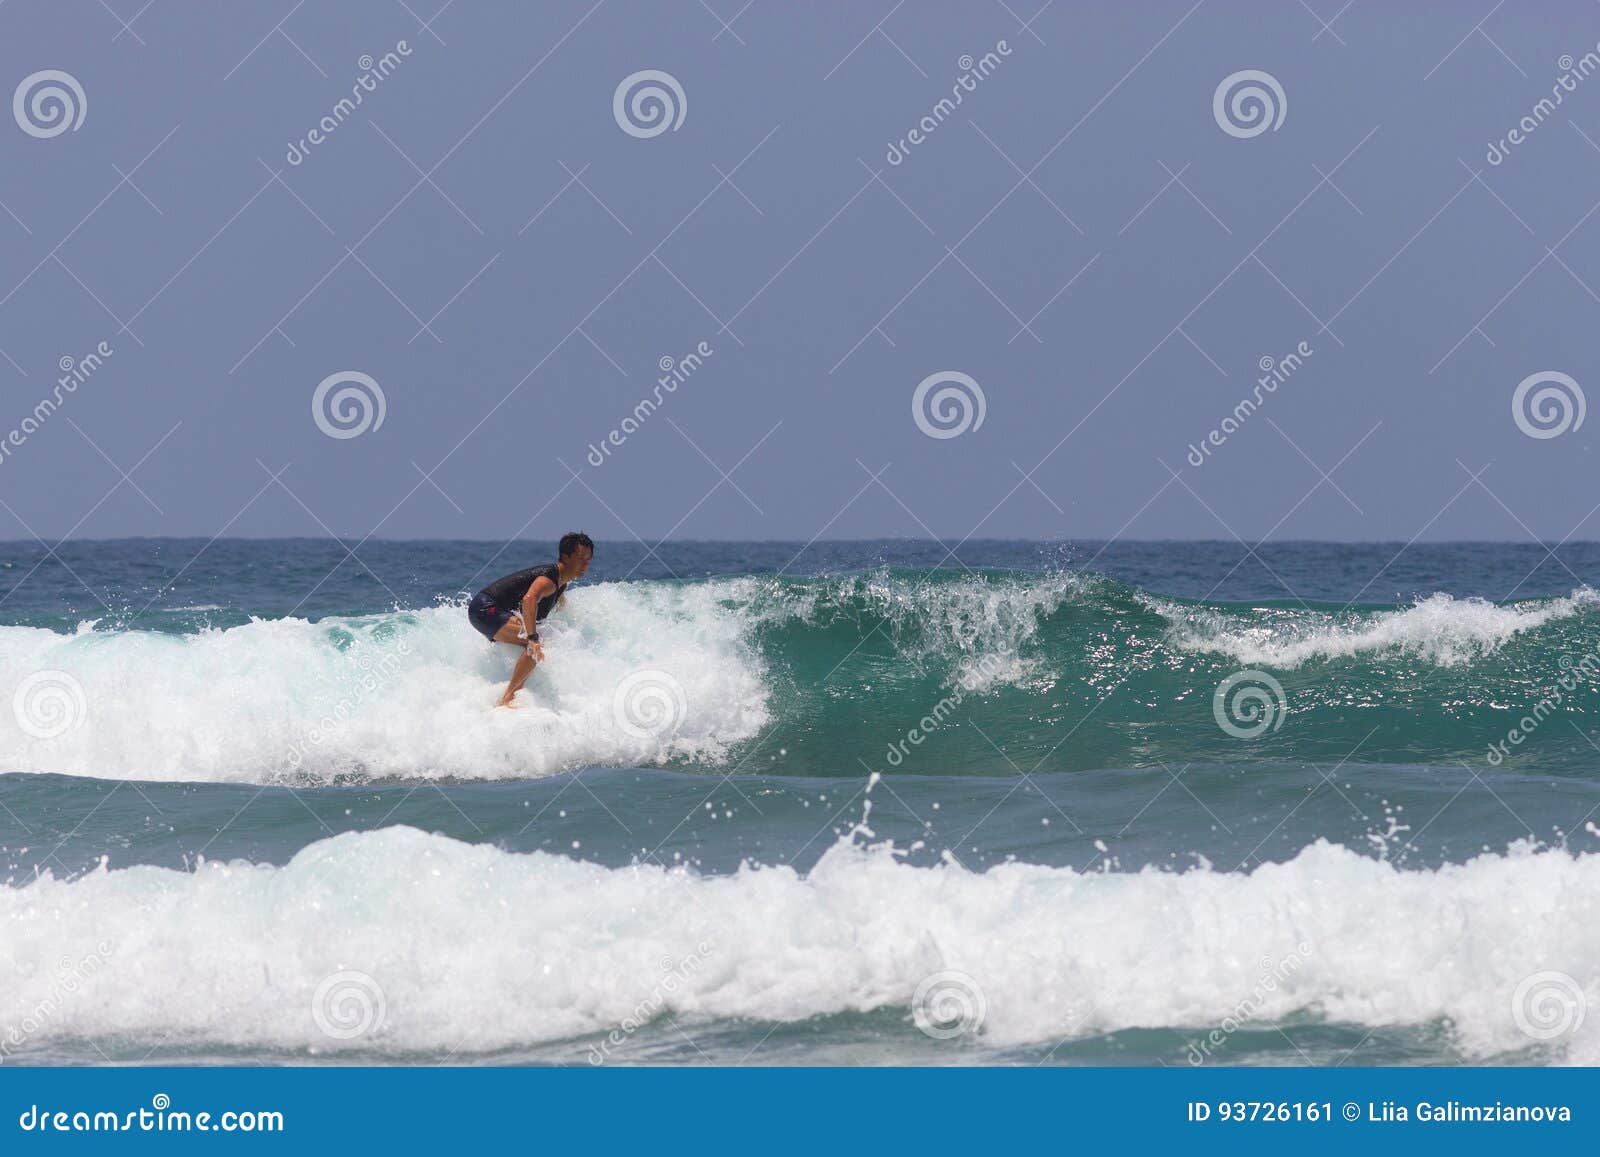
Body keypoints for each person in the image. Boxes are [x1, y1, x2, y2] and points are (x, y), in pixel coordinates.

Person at [468, 532, 594, 707]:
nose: (585, 564)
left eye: (588, 559)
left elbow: (549, 603)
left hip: (488, 611)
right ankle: (508, 699)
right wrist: (532, 638)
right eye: (580, 558)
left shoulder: (561, 583)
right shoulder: (549, 580)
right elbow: (529, 600)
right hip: (485, 610)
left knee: (540, 638)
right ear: (566, 557)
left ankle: (500, 690)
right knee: (535, 644)